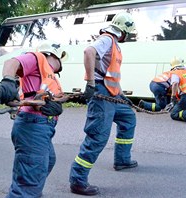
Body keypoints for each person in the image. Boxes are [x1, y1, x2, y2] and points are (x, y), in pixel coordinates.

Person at [69, 12, 137, 196]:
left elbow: (111, 73)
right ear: (123, 31)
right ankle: (78, 180)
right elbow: (88, 51)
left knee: (129, 118)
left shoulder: (114, 45)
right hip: (101, 94)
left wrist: (122, 96)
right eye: (129, 33)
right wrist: (91, 83)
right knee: (97, 137)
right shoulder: (107, 39)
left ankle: (122, 160)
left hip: (112, 95)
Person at [0, 40, 68, 197]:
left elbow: (51, 98)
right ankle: (27, 192)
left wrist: (55, 105)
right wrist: (8, 80)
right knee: (30, 178)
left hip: (42, 127)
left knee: (48, 161)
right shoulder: (37, 58)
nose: (61, 62)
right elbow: (12, 62)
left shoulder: (49, 75)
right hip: (33, 126)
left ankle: (30, 190)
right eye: (60, 58)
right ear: (52, 54)